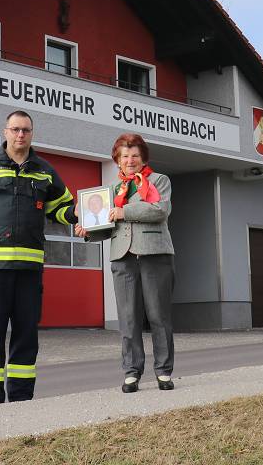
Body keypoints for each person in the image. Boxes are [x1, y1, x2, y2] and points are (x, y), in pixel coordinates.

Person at [0, 110, 76, 406]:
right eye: (16, 129)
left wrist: (86, 218)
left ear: (32, 133)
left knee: (26, 335)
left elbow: (62, 207)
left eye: (26, 130)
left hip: (30, 270)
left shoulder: (44, 171)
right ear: (5, 132)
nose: (21, 135)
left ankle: (22, 401)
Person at [78, 133, 175, 393]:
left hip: (155, 254)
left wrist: (125, 211)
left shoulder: (159, 181)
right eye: (124, 156)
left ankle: (163, 371)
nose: (130, 160)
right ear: (117, 161)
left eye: (134, 155)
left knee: (158, 316)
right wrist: (88, 230)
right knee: (128, 318)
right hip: (122, 257)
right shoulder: (111, 190)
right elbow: (107, 225)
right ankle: (132, 372)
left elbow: (160, 210)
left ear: (143, 158)